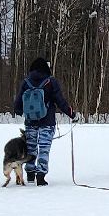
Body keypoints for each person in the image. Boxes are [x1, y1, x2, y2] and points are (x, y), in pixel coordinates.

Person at [11, 56, 78, 186]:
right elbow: (60, 101)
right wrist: (71, 114)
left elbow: (18, 102)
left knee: (30, 147)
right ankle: (41, 176)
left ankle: (30, 174)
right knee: (44, 148)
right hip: (47, 122)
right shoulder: (51, 82)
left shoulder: (26, 82)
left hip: (30, 122)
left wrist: (19, 111)